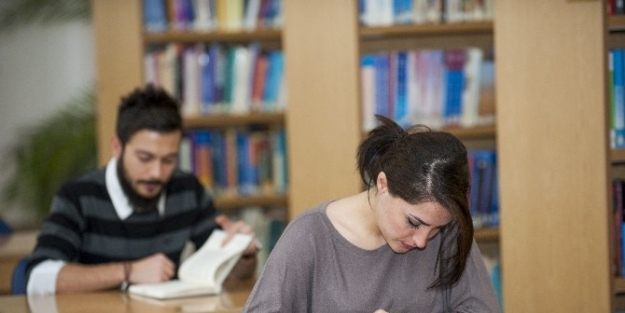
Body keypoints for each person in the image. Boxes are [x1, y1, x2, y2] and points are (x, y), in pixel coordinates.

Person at [243, 115, 500, 312]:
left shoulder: (448, 227)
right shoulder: (310, 235)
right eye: (413, 222)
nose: (423, 241)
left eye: (437, 229)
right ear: (382, 184)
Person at [25, 84, 260, 295]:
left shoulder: (187, 190)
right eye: (145, 158)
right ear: (117, 147)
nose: (156, 173)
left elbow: (232, 277)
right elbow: (39, 277)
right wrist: (128, 272)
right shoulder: (78, 196)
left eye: (169, 160)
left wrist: (242, 253)